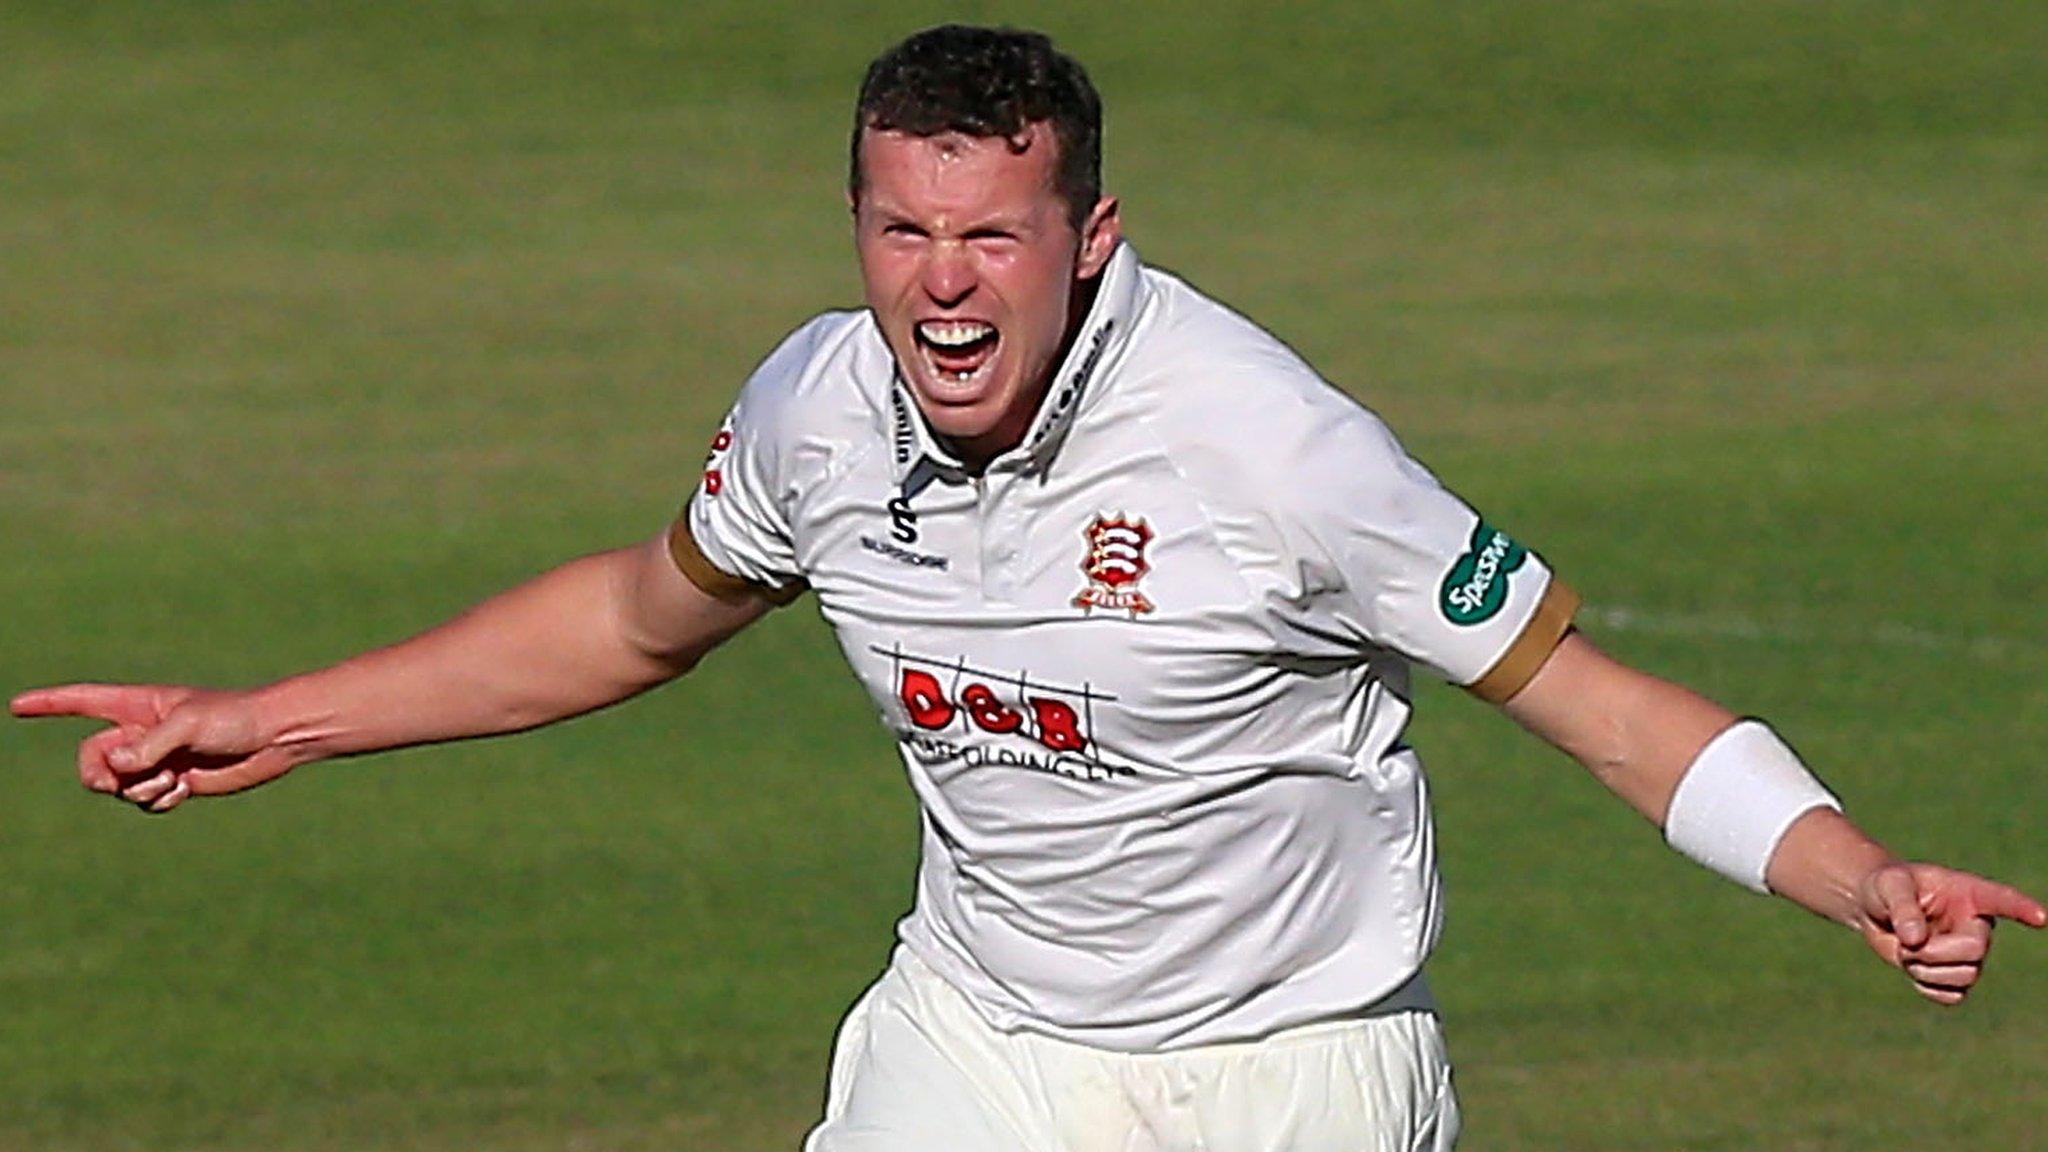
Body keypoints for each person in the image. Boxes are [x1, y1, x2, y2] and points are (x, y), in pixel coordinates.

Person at [12, 24, 2042, 1152]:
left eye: (989, 235)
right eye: (900, 233)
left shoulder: (1276, 453)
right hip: (977, 1045)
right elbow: (635, 616)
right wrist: (269, 715)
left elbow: (1596, 704)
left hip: (1294, 1073)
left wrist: (1850, 869)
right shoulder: (816, 405)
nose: (941, 284)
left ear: (1090, 238)